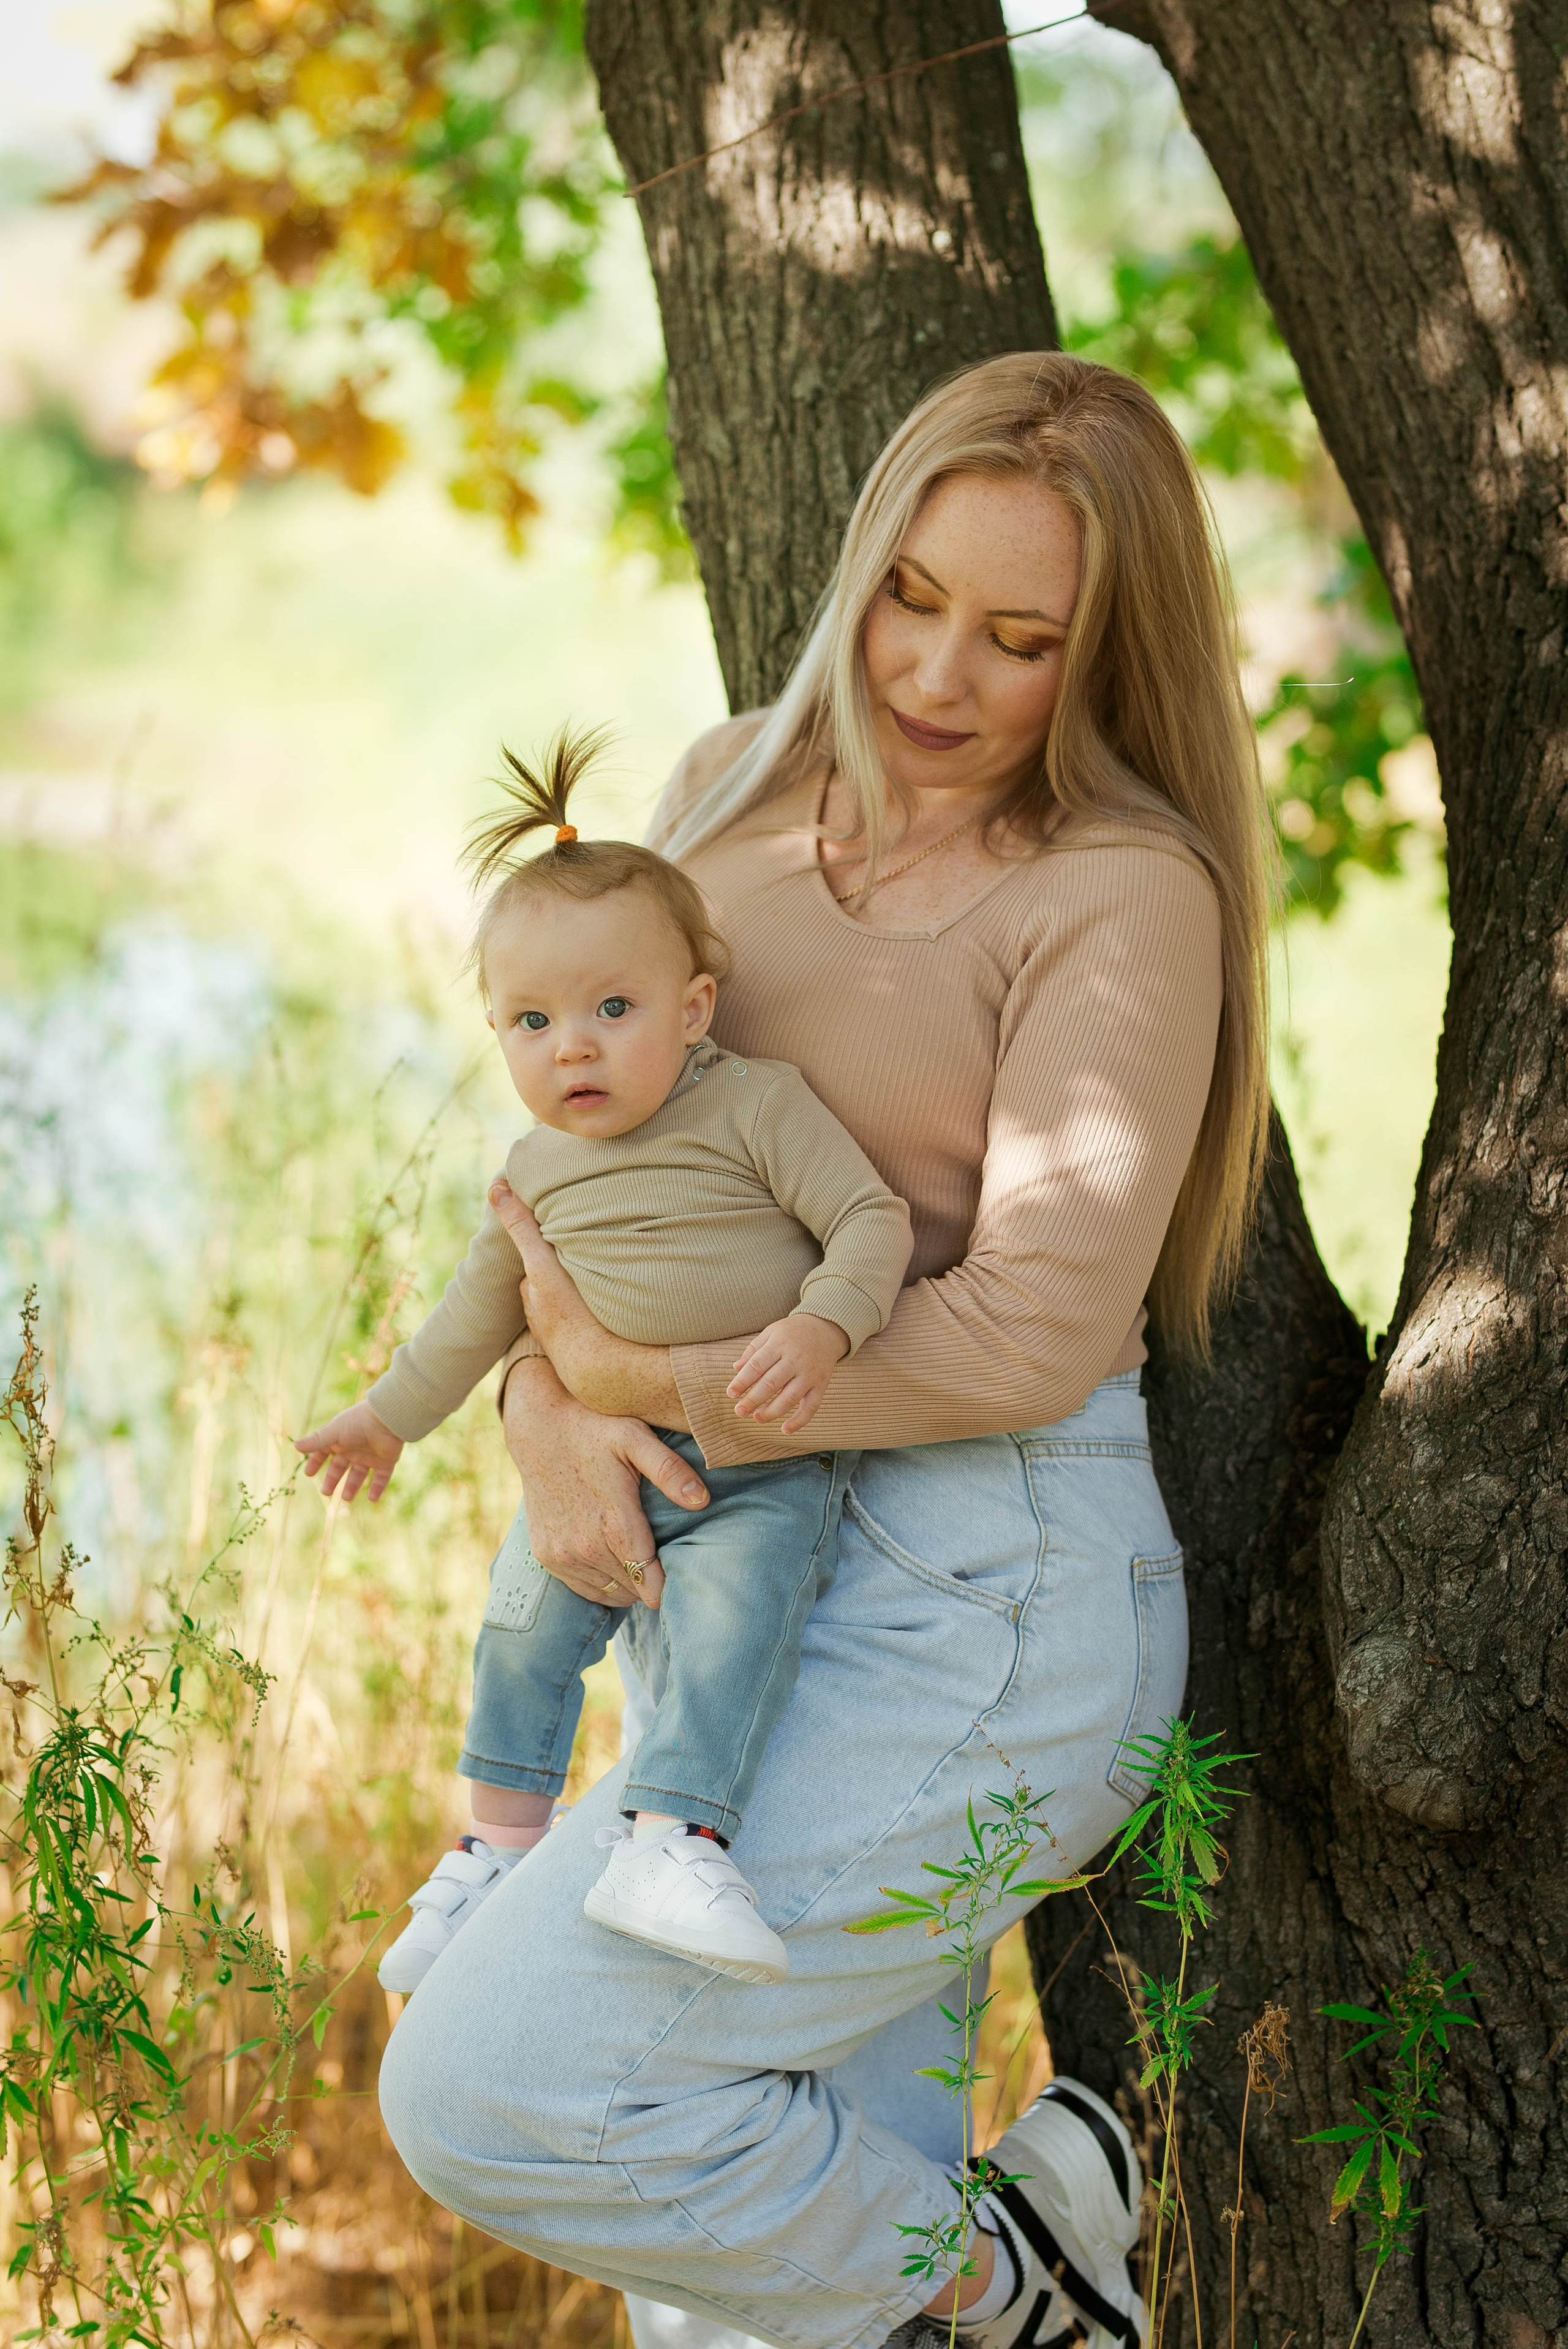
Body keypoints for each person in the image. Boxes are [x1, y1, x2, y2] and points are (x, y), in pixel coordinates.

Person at [374, 352, 1271, 2349]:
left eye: (1022, 638)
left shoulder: (1124, 890)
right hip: (739, 1569)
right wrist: (540, 1403)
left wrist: (638, 1386)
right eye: (911, 597)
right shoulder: (724, 794)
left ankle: (1013, 2281)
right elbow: (598, 1178)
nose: (938, 674)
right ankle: (1014, 2249)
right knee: (726, 2271)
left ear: (1109, 655)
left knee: (500, 2087)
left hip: (985, 1593)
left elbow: (1032, 1325)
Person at [296, 734, 911, 1988]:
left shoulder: (754, 1105)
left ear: (694, 1010)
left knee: (734, 1639)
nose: (570, 1048)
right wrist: (384, 1417)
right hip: (586, 1471)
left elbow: (870, 1218)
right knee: (520, 1631)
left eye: (610, 1011)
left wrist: (821, 1325)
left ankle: (672, 1842)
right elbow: (472, 1317)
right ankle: (495, 1849)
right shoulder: (534, 1171)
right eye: (532, 1022)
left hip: (759, 1460)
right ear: (495, 1031)